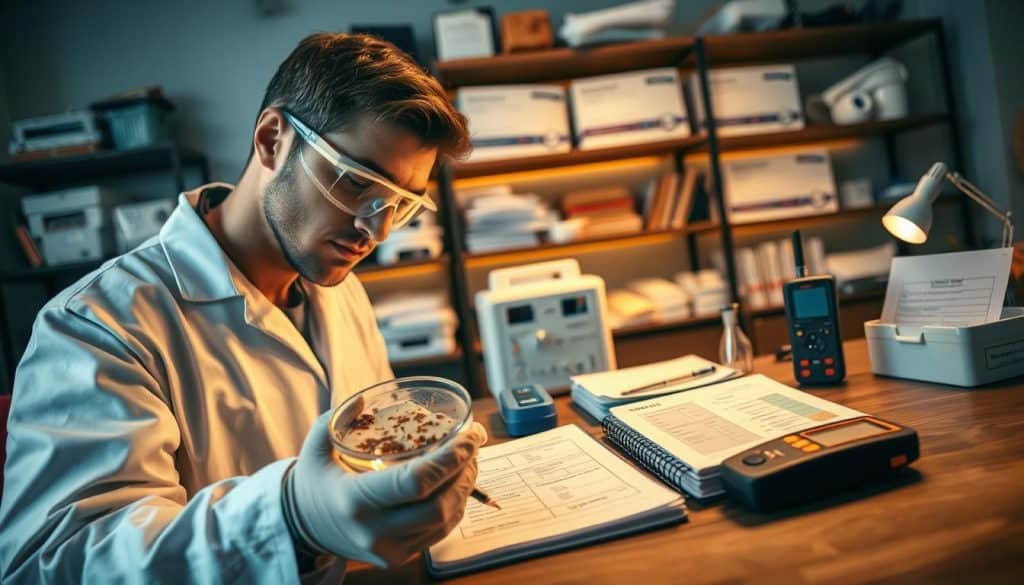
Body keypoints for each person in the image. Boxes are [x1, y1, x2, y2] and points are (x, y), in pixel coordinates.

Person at [0, 33, 485, 583]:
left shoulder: (340, 287)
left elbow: (373, 445)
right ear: (272, 139)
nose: (375, 229)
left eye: (400, 205)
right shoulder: (96, 326)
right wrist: (291, 522)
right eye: (355, 183)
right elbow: (53, 564)